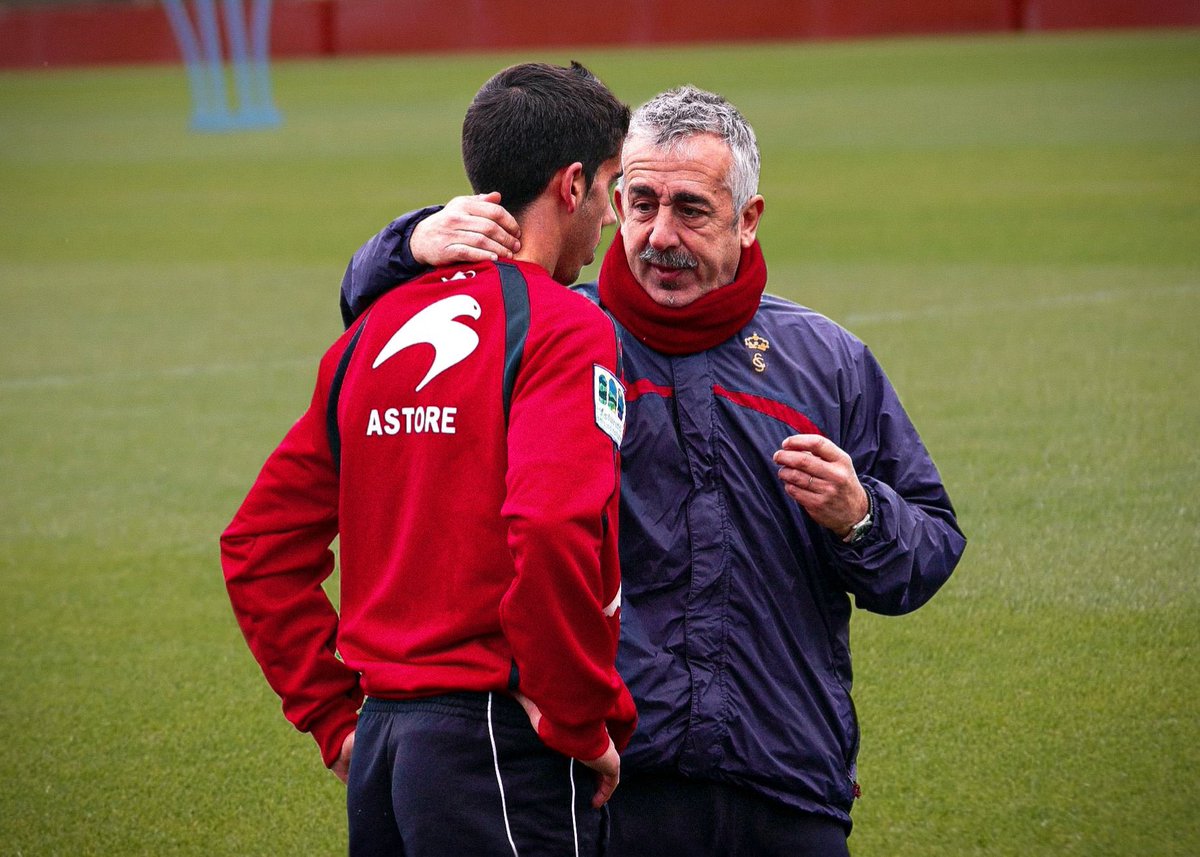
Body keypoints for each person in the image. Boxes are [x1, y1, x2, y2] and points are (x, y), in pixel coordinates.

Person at [340, 84, 967, 856]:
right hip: (612, 785)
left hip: (785, 777)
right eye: (639, 203)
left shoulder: (827, 362)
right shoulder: (557, 343)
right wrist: (408, 242)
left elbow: (931, 547)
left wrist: (861, 516)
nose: (659, 235)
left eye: (691, 210)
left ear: (749, 218)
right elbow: (376, 322)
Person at [220, 61, 638, 857]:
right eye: (615, 188)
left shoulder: (372, 332)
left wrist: (335, 715)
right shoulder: (567, 327)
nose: (616, 220)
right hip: (500, 748)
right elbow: (551, 526)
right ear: (573, 183)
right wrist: (580, 719)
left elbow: (256, 547)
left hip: (384, 749)